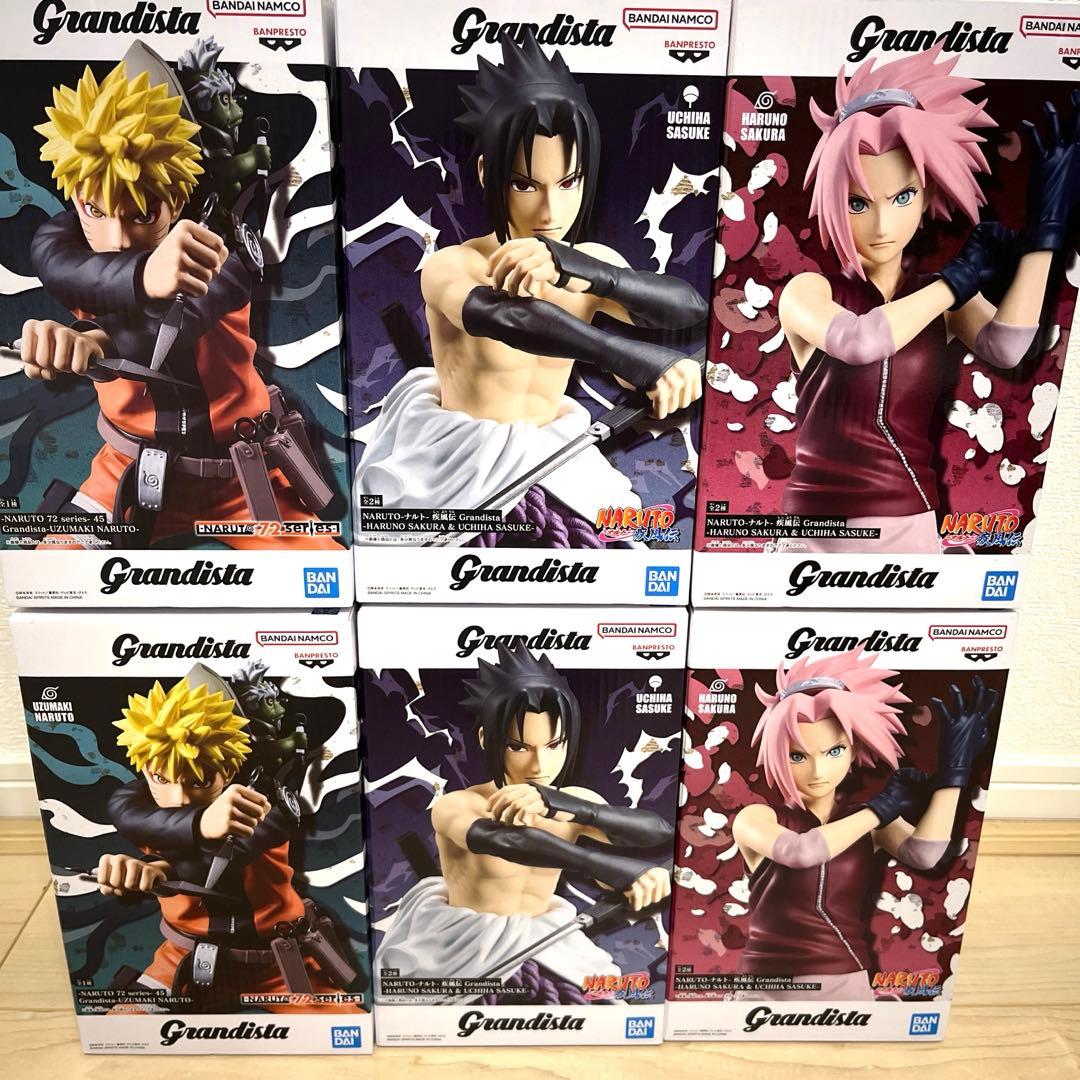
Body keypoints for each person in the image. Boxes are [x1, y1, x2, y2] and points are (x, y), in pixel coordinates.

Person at [355, 31, 707, 547]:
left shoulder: (589, 264)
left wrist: (579, 268)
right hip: (459, 464)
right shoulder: (453, 265)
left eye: (568, 183)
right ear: (488, 173)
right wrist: (631, 358)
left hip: (557, 454)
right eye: (525, 184)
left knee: (623, 550)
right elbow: (508, 318)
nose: (549, 211)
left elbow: (688, 307)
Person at [776, 45, 1078, 553]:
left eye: (903, 197)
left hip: (909, 524)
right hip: (814, 532)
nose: (882, 225)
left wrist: (1044, 238)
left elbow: (1008, 349)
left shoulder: (935, 297)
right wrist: (954, 283)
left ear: (928, 194)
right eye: (857, 203)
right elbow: (859, 341)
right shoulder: (810, 290)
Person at [23, 60, 336, 548]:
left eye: (144, 213)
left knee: (318, 573)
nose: (117, 239)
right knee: (51, 572)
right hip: (127, 471)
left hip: (243, 476)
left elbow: (170, 328)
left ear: (179, 199)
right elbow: (55, 260)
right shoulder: (65, 245)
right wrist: (139, 278)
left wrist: (95, 339)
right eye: (95, 209)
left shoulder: (222, 250)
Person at [376, 642, 674, 1004]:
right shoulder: (459, 804)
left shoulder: (574, 802)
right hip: (464, 945)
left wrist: (569, 806)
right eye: (519, 747)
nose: (539, 766)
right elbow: (507, 842)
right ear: (488, 739)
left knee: (606, 1007)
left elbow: (657, 831)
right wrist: (613, 867)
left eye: (554, 745)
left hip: (549, 939)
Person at [730, 647, 996, 1001]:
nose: (818, 771)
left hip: (846, 979)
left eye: (834, 751)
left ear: (854, 749)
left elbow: (926, 855)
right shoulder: (757, 817)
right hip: (766, 985)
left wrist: (954, 776)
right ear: (778, 753)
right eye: (797, 755)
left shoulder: (865, 821)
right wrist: (881, 808)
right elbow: (799, 851)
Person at [95, 669, 362, 1012]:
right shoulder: (136, 801)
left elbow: (219, 861)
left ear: (231, 771)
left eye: (200, 781)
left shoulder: (268, 804)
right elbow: (129, 814)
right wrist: (197, 825)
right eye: (161, 777)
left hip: (279, 963)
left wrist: (158, 868)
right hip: (184, 957)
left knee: (339, 1025)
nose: (179, 798)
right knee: (124, 1023)